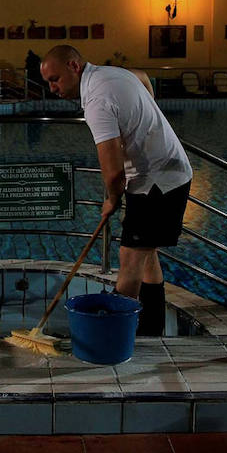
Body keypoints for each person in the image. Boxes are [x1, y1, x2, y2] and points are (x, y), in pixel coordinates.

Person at [40, 45, 192, 335]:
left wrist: (111, 200)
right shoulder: (111, 74)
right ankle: (150, 330)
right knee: (147, 254)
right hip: (164, 173)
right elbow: (144, 78)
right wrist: (146, 123)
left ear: (73, 66)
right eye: (48, 82)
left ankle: (113, 337)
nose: (52, 88)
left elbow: (113, 172)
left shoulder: (97, 102)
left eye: (55, 79)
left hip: (158, 181)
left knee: (130, 258)